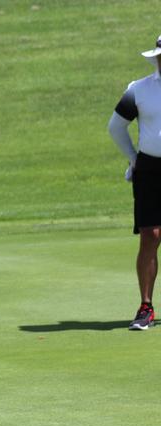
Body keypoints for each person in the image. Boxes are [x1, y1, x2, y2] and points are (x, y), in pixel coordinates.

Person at [108, 35, 161, 331]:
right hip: (150, 169)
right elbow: (115, 126)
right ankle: (146, 307)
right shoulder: (139, 89)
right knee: (150, 236)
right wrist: (133, 158)